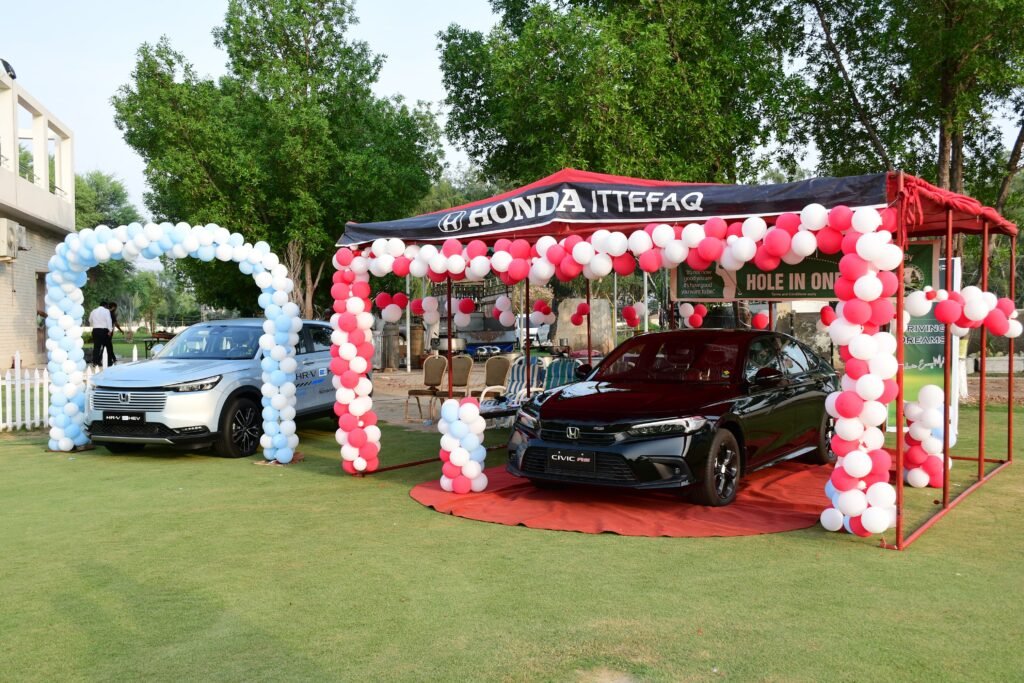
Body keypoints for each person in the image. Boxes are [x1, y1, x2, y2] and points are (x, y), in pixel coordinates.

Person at [88, 302, 113, 366]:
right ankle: (109, 362)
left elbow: (90, 320)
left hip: (95, 330)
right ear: (105, 306)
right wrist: (110, 330)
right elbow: (109, 320)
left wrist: (95, 324)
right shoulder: (106, 311)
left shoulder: (93, 311)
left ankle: (95, 362)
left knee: (96, 347)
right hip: (104, 330)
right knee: (108, 346)